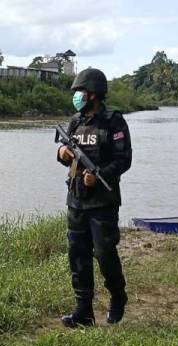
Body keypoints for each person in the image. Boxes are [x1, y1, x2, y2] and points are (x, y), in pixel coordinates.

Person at [57, 68, 132, 327]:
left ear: (94, 94)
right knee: (77, 256)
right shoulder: (75, 123)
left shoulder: (114, 121)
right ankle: (83, 312)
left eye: (81, 92)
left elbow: (124, 159)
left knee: (104, 254)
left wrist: (101, 175)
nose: (77, 96)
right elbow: (65, 154)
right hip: (76, 201)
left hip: (102, 202)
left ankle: (118, 298)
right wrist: (62, 153)